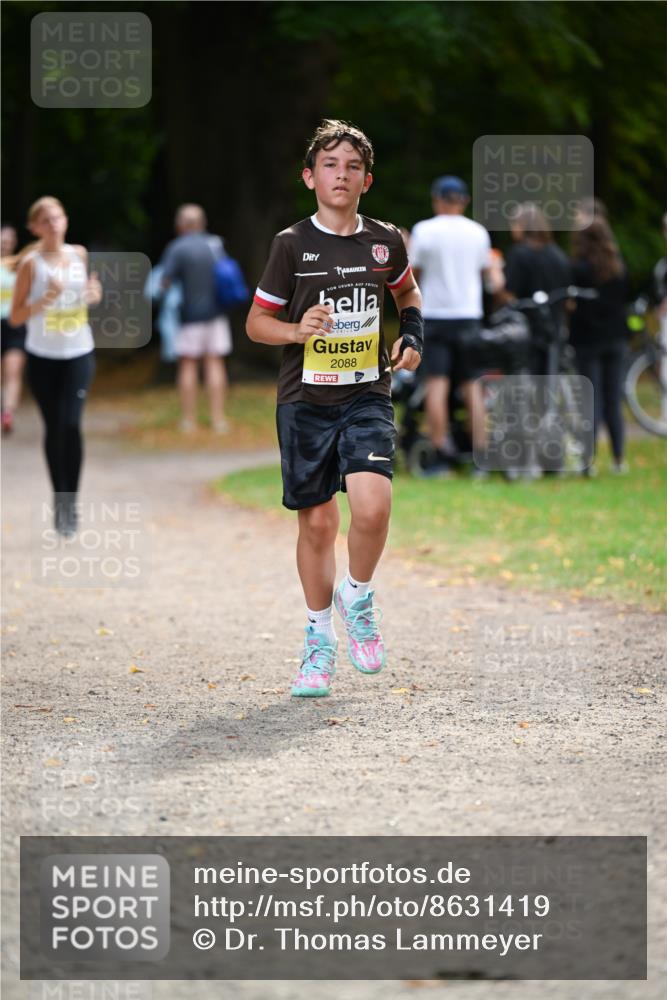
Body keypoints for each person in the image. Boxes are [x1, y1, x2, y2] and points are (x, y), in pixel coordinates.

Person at [246, 119, 423, 697]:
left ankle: (359, 595)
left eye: (352, 167)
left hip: (367, 392)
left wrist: (413, 336)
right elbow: (256, 324)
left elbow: (407, 294)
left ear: (366, 180)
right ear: (310, 176)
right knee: (319, 522)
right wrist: (297, 330)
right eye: (330, 165)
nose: (340, 175)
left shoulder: (385, 241)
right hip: (304, 401)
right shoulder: (291, 244)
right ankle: (319, 641)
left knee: (373, 507)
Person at [10, 196, 101, 534]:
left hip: (79, 352)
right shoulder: (32, 265)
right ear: (34, 227)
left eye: (57, 217)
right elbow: (16, 316)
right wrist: (45, 299)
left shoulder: (78, 254)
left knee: (72, 425)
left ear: (66, 220)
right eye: (45, 220)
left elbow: (85, 298)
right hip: (42, 356)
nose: (53, 224)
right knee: (54, 428)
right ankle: (59, 501)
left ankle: (71, 505)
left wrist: (93, 294)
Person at [409, 176, 492, 476]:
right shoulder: (479, 233)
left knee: (436, 385)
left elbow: (412, 274)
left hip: (435, 315)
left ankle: (441, 452)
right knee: (473, 385)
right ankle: (480, 454)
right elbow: (486, 273)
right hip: (469, 314)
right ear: (464, 201)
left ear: (437, 200)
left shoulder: (424, 231)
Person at [160, 204, 233, 434]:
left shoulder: (177, 248)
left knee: (188, 365)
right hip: (217, 314)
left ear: (181, 224)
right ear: (202, 223)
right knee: (215, 363)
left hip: (189, 317)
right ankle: (218, 419)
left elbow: (164, 282)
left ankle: (189, 421)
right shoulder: (216, 244)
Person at [570, 217, 629, 473]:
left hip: (589, 340)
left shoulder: (580, 269)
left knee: (590, 401)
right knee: (613, 399)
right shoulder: (618, 268)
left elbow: (576, 306)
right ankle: (618, 459)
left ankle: (587, 460)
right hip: (616, 339)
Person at [504, 202, 571, 372]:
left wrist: (496, 282)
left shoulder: (520, 254)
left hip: (525, 331)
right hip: (554, 329)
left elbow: (509, 295)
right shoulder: (558, 254)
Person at [1, 224, 27, 433]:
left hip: (15, 325)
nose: (6, 242)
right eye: (3, 238)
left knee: (13, 371)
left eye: (10, 239)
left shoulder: (21, 265)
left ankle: (7, 413)